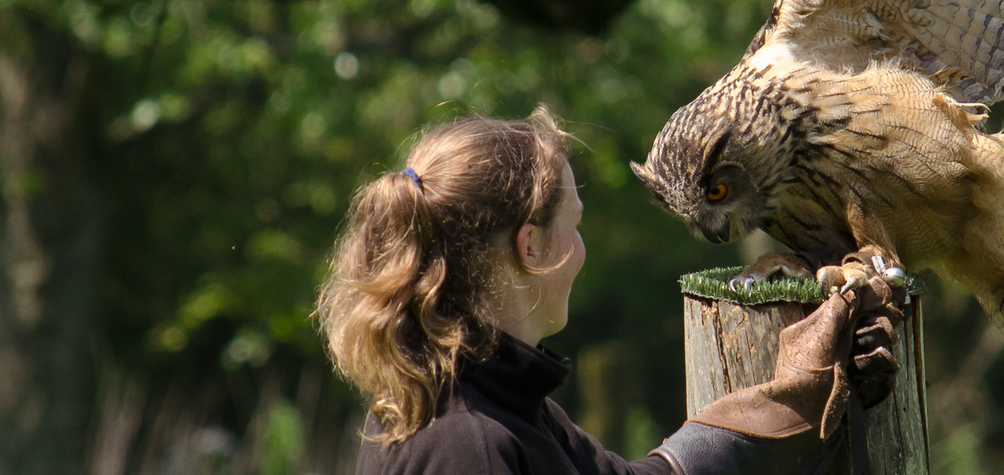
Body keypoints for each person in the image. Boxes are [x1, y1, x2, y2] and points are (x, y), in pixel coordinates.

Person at [318, 109, 902, 475]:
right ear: (531, 246)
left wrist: (799, 394)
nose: (583, 250)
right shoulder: (472, 446)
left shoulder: (501, 404)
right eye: (572, 226)